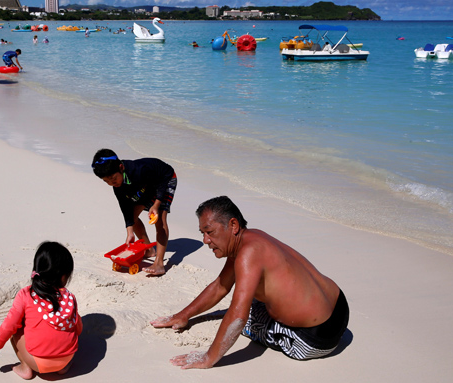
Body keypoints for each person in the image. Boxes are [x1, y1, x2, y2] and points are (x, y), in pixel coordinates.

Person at [151, 196, 349, 368]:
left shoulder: (248, 254)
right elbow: (220, 286)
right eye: (202, 233)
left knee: (246, 320)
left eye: (210, 232)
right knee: (253, 301)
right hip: (339, 306)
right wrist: (183, 315)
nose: (205, 240)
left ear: (234, 225)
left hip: (314, 339)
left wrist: (208, 357)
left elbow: (238, 316)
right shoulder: (250, 238)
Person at [0, 242, 83, 379]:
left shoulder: (26, 294)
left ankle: (25, 367)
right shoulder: (70, 297)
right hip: (67, 358)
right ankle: (63, 368)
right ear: (64, 276)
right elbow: (78, 328)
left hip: (37, 363)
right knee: (70, 328)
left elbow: (9, 325)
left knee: (16, 328)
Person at [91, 149, 177, 276]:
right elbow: (125, 207)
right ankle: (149, 251)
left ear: (121, 167)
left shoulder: (139, 170)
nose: (111, 184)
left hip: (164, 180)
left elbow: (161, 184)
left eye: (113, 179)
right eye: (106, 181)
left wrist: (156, 205)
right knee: (133, 217)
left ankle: (159, 264)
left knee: (160, 219)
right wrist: (129, 232)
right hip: (145, 187)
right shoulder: (117, 185)